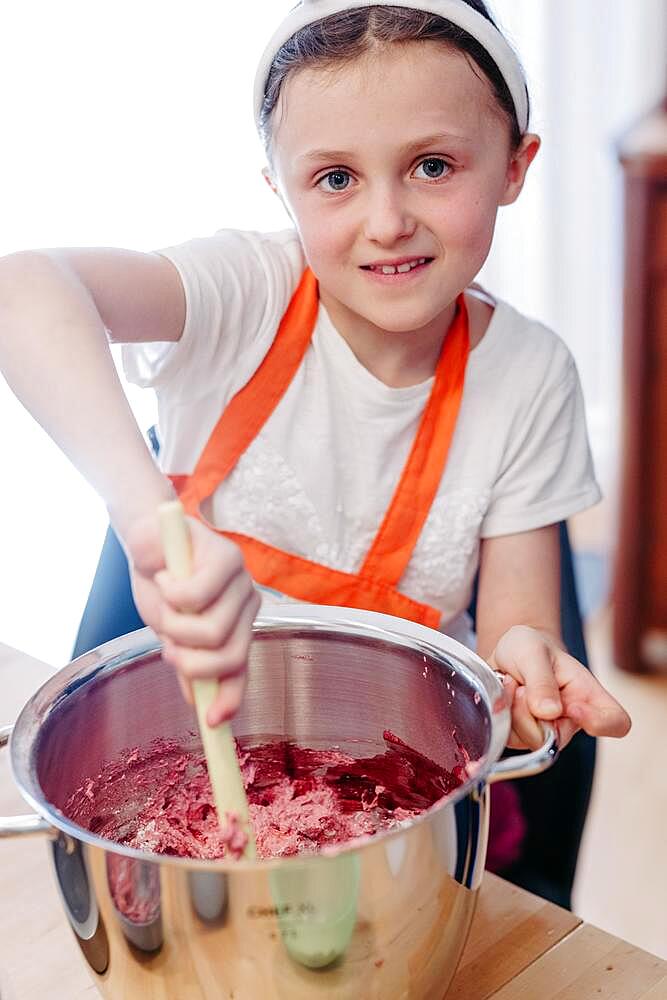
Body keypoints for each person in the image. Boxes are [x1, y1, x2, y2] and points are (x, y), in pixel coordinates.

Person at [0, 1, 630, 753]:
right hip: (172, 744)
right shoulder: (248, 294)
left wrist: (528, 669)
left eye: (433, 166)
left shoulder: (530, 376)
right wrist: (146, 521)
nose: (387, 221)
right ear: (279, 189)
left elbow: (514, 628)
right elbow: (22, 289)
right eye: (336, 178)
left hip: (389, 766)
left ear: (513, 167)